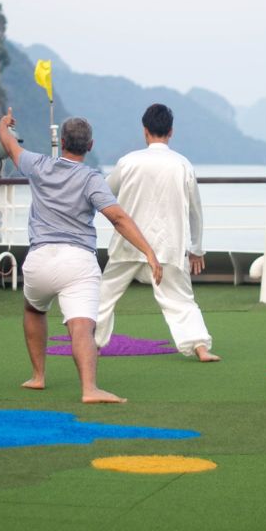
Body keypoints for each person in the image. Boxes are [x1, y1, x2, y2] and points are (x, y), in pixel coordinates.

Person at [0, 107, 162, 403]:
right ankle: (89, 389)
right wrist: (149, 252)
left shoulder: (38, 165)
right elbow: (118, 218)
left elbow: (8, 144)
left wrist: (4, 124)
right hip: (78, 263)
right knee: (82, 326)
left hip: (39, 260)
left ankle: (38, 376)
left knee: (34, 310)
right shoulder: (91, 179)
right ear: (90, 146)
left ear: (61, 142)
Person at [95, 104, 218, 362]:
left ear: (145, 131)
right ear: (171, 131)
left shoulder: (128, 162)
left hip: (129, 243)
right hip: (169, 245)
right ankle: (200, 347)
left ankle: (91, 343)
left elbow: (104, 194)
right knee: (181, 300)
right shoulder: (182, 165)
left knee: (104, 295)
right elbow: (195, 211)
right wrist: (196, 249)